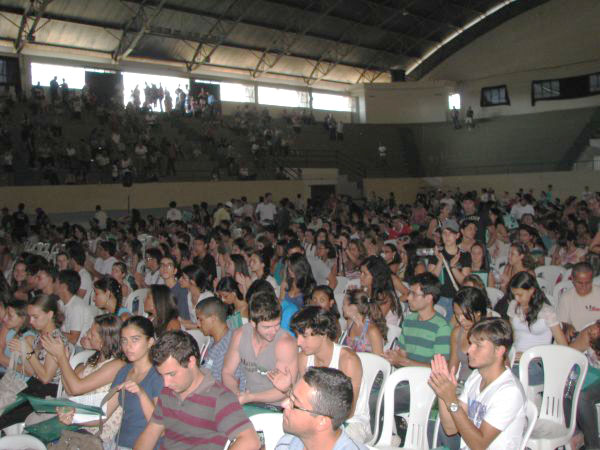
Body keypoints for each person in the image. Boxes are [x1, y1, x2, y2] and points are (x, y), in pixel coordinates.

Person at [135, 330, 260, 450]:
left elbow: (250, 441)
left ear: (191, 362)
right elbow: (151, 432)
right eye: (162, 375)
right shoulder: (168, 392)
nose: (166, 383)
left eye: (171, 374)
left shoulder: (220, 398)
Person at [269, 306, 370, 443]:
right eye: (297, 336)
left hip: (352, 423)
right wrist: (288, 389)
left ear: (322, 333)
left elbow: (349, 411)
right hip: (318, 419)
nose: (298, 342)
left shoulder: (347, 360)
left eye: (304, 336)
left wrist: (311, 424)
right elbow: (305, 400)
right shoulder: (304, 358)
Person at [429, 318, 527, 450]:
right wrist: (442, 392)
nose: (469, 350)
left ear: (499, 351)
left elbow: (479, 445)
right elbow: (450, 428)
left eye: (478, 345)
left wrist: (451, 400)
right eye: (470, 343)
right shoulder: (476, 376)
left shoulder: (509, 392)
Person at [44, 314, 125, 444]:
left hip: (95, 433)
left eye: (92, 334)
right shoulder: (96, 359)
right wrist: (62, 361)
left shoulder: (117, 365)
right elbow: (70, 390)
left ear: (104, 341)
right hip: (78, 421)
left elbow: (76, 388)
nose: (87, 335)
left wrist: (61, 358)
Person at [0, 294, 71, 429]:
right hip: (33, 387)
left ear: (50, 314)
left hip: (46, 394)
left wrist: (28, 352)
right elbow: (32, 371)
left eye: (35, 317)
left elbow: (45, 378)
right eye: (30, 316)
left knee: (4, 418)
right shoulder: (40, 336)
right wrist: (23, 351)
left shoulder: (55, 340)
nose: (31, 321)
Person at [222, 290, 298, 405]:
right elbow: (227, 372)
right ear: (253, 323)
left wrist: (250, 397)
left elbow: (285, 391)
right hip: (248, 400)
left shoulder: (285, 344)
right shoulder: (240, 335)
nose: (273, 331)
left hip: (278, 406)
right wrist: (237, 394)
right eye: (267, 327)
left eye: (277, 324)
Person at [275, 367, 368, 450]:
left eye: (294, 403)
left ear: (322, 421)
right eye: (290, 396)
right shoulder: (287, 443)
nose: (283, 404)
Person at [428, 219, 472, 320]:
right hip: (438, 298)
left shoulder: (465, 255)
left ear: (457, 235)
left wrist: (453, 267)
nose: (447, 236)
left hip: (457, 299)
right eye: (444, 233)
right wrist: (440, 261)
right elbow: (431, 280)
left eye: (451, 233)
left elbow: (465, 282)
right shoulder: (436, 254)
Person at [55, 269, 94, 346]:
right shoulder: (60, 303)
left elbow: (73, 339)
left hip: (79, 348)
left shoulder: (76, 307)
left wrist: (52, 332)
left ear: (63, 286)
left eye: (56, 282)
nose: (53, 284)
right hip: (66, 344)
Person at [342, 290, 387, 355]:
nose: (342, 307)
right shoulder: (350, 323)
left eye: (344, 304)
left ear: (353, 307)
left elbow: (379, 359)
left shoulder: (372, 331)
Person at [0, 300, 36, 379]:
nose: (4, 319)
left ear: (22, 319)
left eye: (10, 316)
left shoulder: (28, 338)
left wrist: (2, 359)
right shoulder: (10, 331)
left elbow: (29, 371)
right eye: (6, 314)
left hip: (18, 381)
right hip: (6, 376)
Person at [178, 264, 213, 330]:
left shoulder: (207, 297)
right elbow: (194, 322)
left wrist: (183, 325)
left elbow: (206, 325)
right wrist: (180, 321)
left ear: (193, 282)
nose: (180, 279)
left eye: (183, 278)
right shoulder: (189, 295)